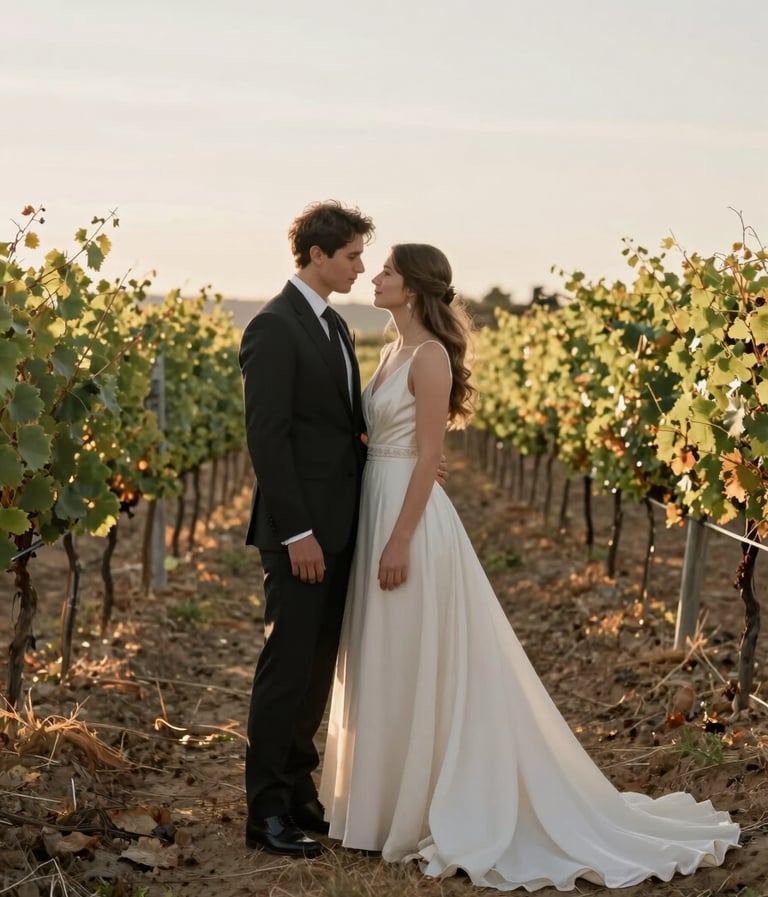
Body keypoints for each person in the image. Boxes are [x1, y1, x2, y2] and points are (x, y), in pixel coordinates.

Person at [319, 244, 740, 891]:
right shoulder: (389, 350)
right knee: (388, 656)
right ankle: (380, 807)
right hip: (381, 501)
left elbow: (431, 453)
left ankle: (420, 806)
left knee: (411, 653)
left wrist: (399, 540)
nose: (375, 276)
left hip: (409, 521)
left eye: (388, 271)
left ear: (413, 287)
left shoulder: (429, 357)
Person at [239, 200, 374, 858]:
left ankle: (297, 789)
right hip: (300, 535)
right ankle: (263, 809)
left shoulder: (335, 328)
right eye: (351, 255)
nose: (360, 266)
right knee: (286, 666)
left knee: (318, 667)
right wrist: (297, 534)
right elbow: (268, 438)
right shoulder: (273, 326)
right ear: (317, 255)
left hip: (341, 526)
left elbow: (341, 431)